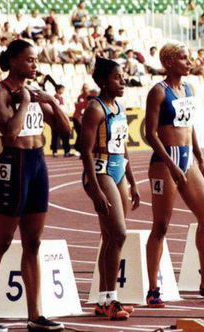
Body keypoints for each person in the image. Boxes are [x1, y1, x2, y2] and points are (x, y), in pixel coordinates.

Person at [0, 39, 71, 332]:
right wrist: (28, 102)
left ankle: (35, 314)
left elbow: (66, 131)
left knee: (33, 242)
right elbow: (9, 135)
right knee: (3, 240)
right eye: (30, 60)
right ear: (15, 61)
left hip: (37, 163)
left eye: (36, 60)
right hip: (13, 163)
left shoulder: (35, 92)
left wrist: (51, 101)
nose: (35, 64)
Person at [144, 43, 204, 307]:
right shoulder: (158, 92)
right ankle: (153, 289)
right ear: (171, 62)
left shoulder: (188, 88)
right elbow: (150, 134)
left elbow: (189, 125)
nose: (189, 61)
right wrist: (172, 166)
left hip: (187, 159)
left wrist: (200, 158)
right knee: (161, 225)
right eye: (184, 58)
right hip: (165, 162)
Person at [80, 57, 140, 320]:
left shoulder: (119, 106)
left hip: (118, 170)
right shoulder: (95, 109)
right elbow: (84, 151)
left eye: (123, 76)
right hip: (101, 171)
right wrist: (96, 190)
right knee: (119, 234)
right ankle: (109, 298)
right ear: (104, 81)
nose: (123, 81)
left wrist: (133, 181)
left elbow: (123, 144)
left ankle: (105, 300)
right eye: (118, 77)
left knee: (111, 238)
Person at [51, 85, 73, 157]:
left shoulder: (62, 98)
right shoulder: (54, 98)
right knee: (55, 135)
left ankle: (66, 151)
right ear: (58, 90)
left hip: (62, 117)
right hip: (56, 118)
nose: (63, 91)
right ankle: (55, 151)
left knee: (65, 135)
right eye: (62, 89)